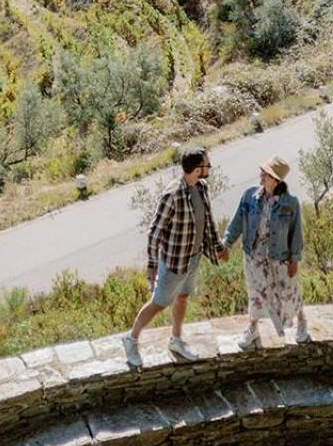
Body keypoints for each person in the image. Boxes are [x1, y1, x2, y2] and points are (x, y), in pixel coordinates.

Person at [123, 145, 227, 366]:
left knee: (183, 297)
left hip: (194, 257)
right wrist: (151, 264)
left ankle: (176, 339)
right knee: (159, 302)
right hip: (174, 262)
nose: (210, 167)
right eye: (207, 164)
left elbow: (207, 220)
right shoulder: (173, 194)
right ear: (197, 169)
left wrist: (218, 246)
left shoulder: (202, 187)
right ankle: (131, 339)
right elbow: (154, 233)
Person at [224, 155, 308, 349]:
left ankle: (302, 323)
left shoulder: (290, 203)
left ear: (276, 180)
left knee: (289, 292)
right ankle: (252, 329)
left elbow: (296, 233)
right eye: (262, 172)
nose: (261, 176)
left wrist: (295, 259)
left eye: (266, 174)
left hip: (280, 258)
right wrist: (226, 242)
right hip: (254, 257)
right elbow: (236, 222)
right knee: (255, 294)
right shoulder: (249, 196)